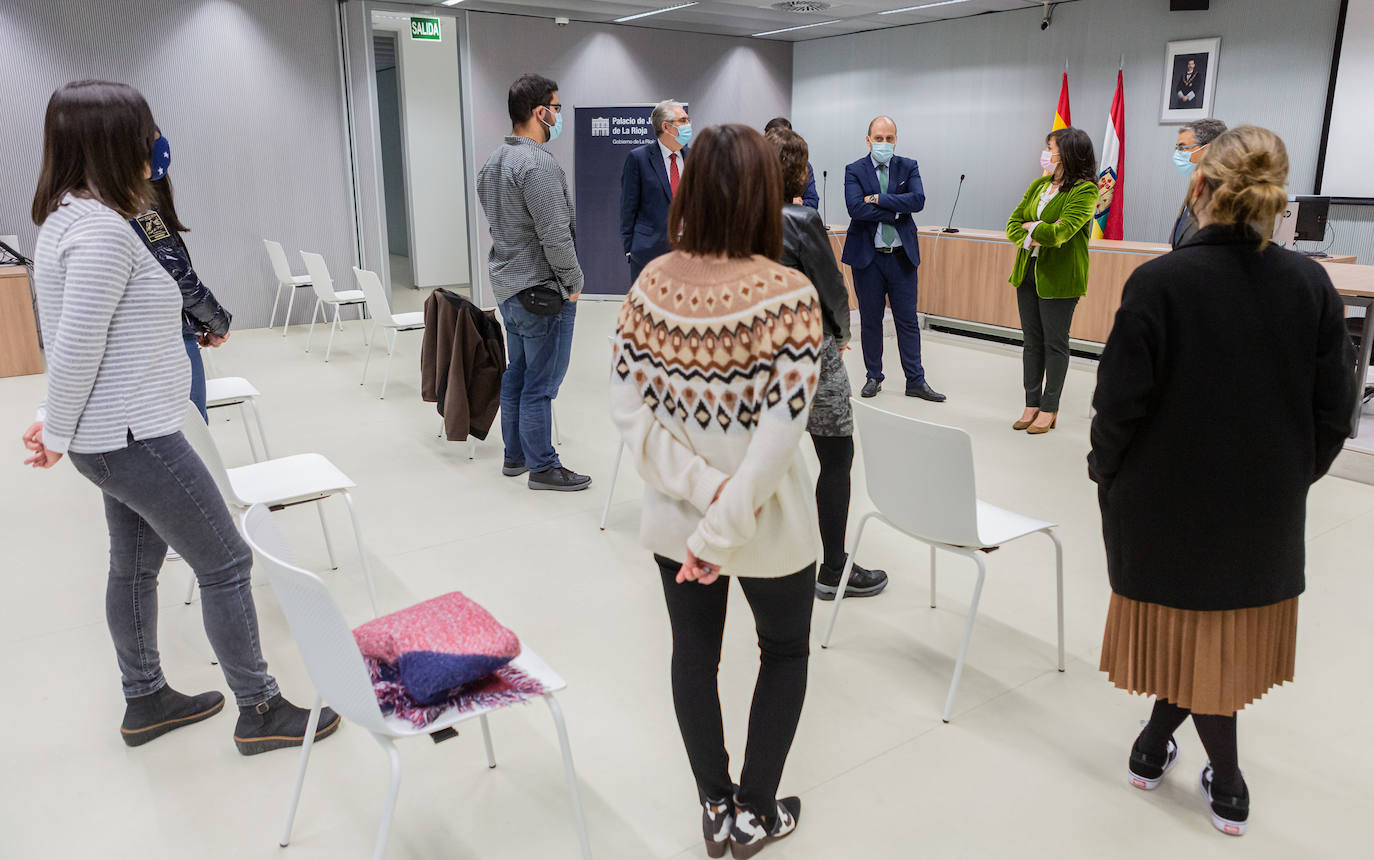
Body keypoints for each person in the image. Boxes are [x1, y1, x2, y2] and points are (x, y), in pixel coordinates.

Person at [21, 80, 338, 755]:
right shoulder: (104, 233)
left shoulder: (69, 220)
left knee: (134, 565)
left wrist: (57, 417)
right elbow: (76, 347)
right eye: (144, 132)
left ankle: (145, 700)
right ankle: (259, 709)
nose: (154, 145)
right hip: (134, 435)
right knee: (224, 560)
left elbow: (82, 341)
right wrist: (54, 429)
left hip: (117, 432)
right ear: (113, 142)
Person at [1090, 125, 1355, 837]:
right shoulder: (1311, 285)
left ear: (1198, 188)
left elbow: (1116, 410)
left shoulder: (1159, 283)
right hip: (1260, 518)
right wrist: (1291, 478)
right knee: (1218, 644)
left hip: (1159, 511)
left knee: (1190, 640)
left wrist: (1107, 479)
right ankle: (1174, 755)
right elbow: (1335, 414)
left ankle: (1208, 770)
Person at [610, 123, 822, 859]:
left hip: (678, 517)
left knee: (694, 657)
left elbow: (626, 413)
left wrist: (699, 500)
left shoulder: (649, 287)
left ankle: (714, 803)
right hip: (768, 522)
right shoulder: (789, 294)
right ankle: (757, 811)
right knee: (785, 650)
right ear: (768, 191)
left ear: (689, 184)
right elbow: (780, 436)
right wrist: (723, 521)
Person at [767, 126, 888, 601]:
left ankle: (771, 552)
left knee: (771, 455)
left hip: (758, 355)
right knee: (836, 454)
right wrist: (841, 334)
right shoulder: (800, 218)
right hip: (806, 352)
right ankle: (834, 567)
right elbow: (831, 287)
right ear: (799, 170)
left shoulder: (739, 219)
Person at [476, 73, 589, 492]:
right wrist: (574, 281)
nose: (559, 116)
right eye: (556, 109)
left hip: (508, 285)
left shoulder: (493, 162)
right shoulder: (537, 164)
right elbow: (555, 234)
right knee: (541, 381)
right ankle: (544, 466)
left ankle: (516, 455)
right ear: (540, 112)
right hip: (542, 290)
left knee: (518, 373)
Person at [130, 129, 232, 421]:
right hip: (167, 345)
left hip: (145, 344)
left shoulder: (95, 206)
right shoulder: (140, 211)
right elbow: (178, 277)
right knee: (190, 437)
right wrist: (218, 323)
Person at [842, 116, 944, 402]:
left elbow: (918, 201)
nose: (884, 143)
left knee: (907, 321)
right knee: (871, 321)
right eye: (878, 138)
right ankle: (873, 376)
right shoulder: (854, 169)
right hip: (868, 258)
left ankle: (916, 380)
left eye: (889, 138)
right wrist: (896, 210)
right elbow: (855, 209)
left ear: (895, 140)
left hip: (901, 258)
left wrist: (875, 199)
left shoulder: (908, 166)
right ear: (868, 140)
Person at [1004, 127, 1099, 434]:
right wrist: (1036, 230)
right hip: (1027, 271)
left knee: (1054, 343)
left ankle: (1049, 408)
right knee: (1031, 342)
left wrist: (1034, 229)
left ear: (1069, 153)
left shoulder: (1085, 190)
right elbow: (1012, 225)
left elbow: (1063, 232)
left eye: (1051, 148)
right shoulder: (1039, 185)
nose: (1046, 153)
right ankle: (1031, 404)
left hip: (1060, 277)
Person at [620, 99, 691, 284]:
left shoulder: (695, 157)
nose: (688, 125)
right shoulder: (639, 158)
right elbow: (628, 207)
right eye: (683, 121)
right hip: (648, 253)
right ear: (666, 127)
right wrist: (630, 248)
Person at [1170, 118, 1227, 248]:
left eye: (1183, 148)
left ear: (1208, 150)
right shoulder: (1197, 185)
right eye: (1177, 148)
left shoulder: (1224, 197)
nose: (1177, 154)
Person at [763, 117, 818, 209]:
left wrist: (799, 203)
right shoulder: (758, 164)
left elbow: (813, 202)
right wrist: (790, 201)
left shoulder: (803, 166)